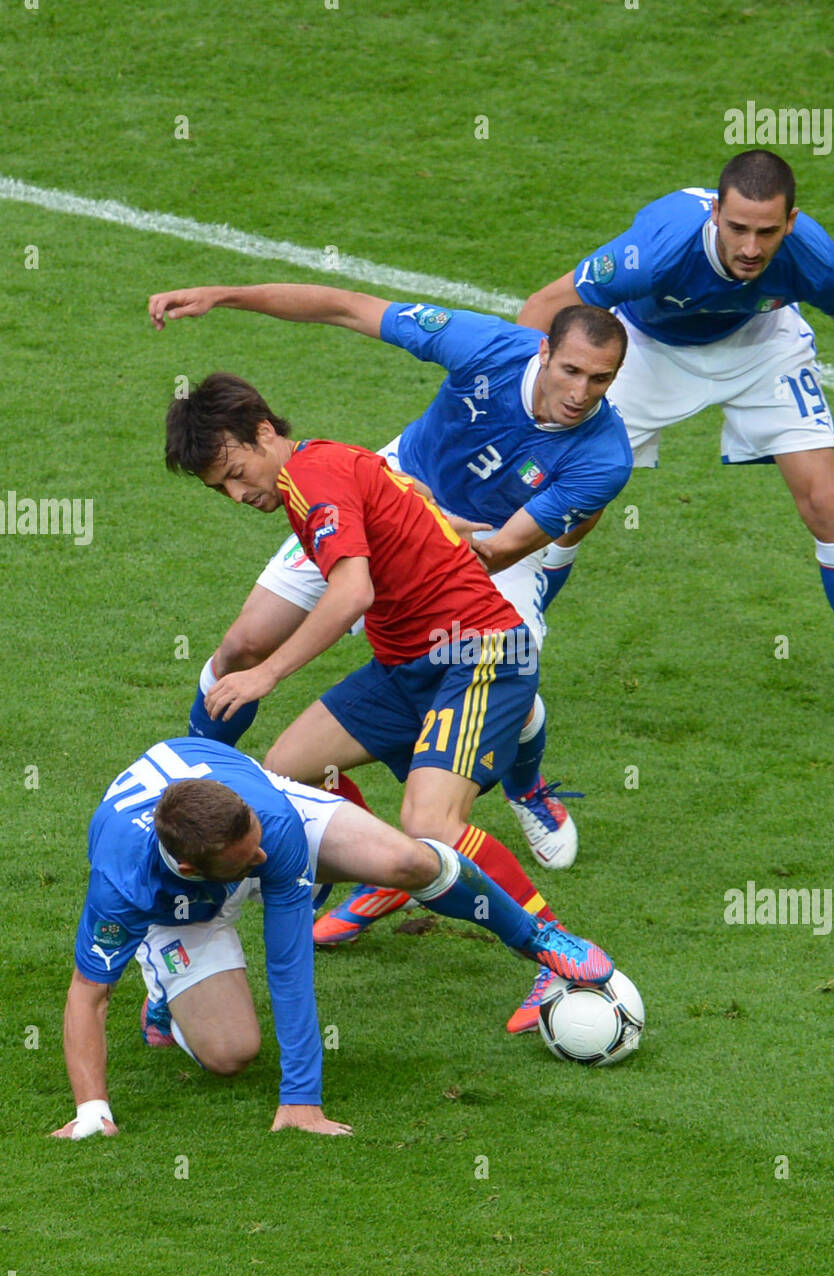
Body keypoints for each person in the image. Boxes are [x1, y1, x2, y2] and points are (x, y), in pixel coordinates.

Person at [162, 375, 615, 1032]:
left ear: (263, 432)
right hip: (407, 666)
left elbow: (351, 596)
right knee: (287, 771)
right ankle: (385, 867)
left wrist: (267, 676)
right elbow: (413, 494)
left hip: (478, 651)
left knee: (432, 825)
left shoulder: (310, 478)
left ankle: (554, 949)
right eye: (220, 489)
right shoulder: (319, 465)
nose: (237, 495)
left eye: (235, 473)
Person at [148, 283, 633, 890]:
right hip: (391, 485)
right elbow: (348, 308)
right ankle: (191, 781)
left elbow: (498, 548)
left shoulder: (605, 458)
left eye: (601, 380)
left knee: (494, 668)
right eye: (570, 371)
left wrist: (409, 528)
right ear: (542, 350)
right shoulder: (486, 347)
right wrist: (225, 296)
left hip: (490, 543)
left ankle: (523, 778)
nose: (580, 393)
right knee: (245, 645)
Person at [517, 148, 834, 747]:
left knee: (826, 504)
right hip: (647, 347)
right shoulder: (657, 250)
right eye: (737, 229)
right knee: (575, 507)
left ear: (792, 220)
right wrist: (525, 415)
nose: (751, 247)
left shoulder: (812, 255)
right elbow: (544, 309)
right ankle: (507, 639)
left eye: (767, 231)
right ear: (714, 215)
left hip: (761, 344)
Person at [52, 738, 614, 1142]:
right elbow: (89, 994)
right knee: (231, 1056)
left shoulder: (269, 825)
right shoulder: (123, 885)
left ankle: (537, 936)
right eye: (250, 860)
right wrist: (91, 1109)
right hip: (180, 911)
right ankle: (167, 998)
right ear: (195, 868)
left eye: (257, 844)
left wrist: (301, 1096)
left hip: (265, 818)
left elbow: (290, 963)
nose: (263, 859)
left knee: (406, 858)